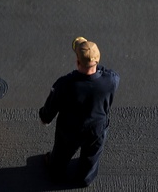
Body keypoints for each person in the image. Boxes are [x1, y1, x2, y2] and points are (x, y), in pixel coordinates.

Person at [39, 37, 119, 187]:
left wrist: (45, 117)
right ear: (97, 60)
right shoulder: (111, 80)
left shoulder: (64, 84)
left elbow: (50, 109)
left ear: (77, 61)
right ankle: (84, 179)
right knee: (91, 156)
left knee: (61, 153)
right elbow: (105, 72)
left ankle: (57, 173)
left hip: (70, 129)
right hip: (97, 128)